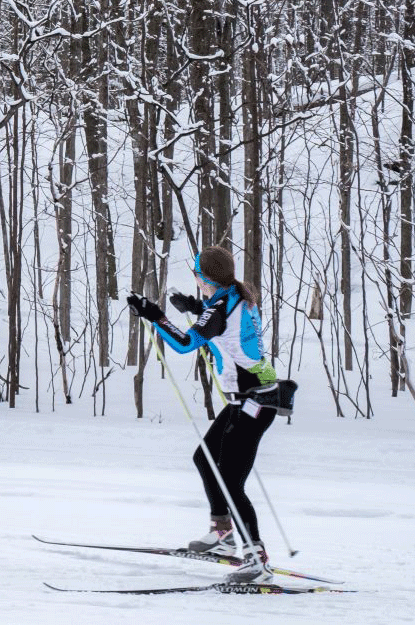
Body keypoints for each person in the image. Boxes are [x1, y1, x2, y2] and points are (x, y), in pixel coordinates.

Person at [126, 246, 297, 583]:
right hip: (246, 399)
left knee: (231, 480)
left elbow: (185, 343)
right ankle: (223, 536)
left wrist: (155, 316)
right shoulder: (236, 294)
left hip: (256, 401)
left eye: (197, 276)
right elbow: (219, 319)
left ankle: (256, 559)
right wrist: (194, 306)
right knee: (205, 459)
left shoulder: (220, 305)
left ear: (203, 277)